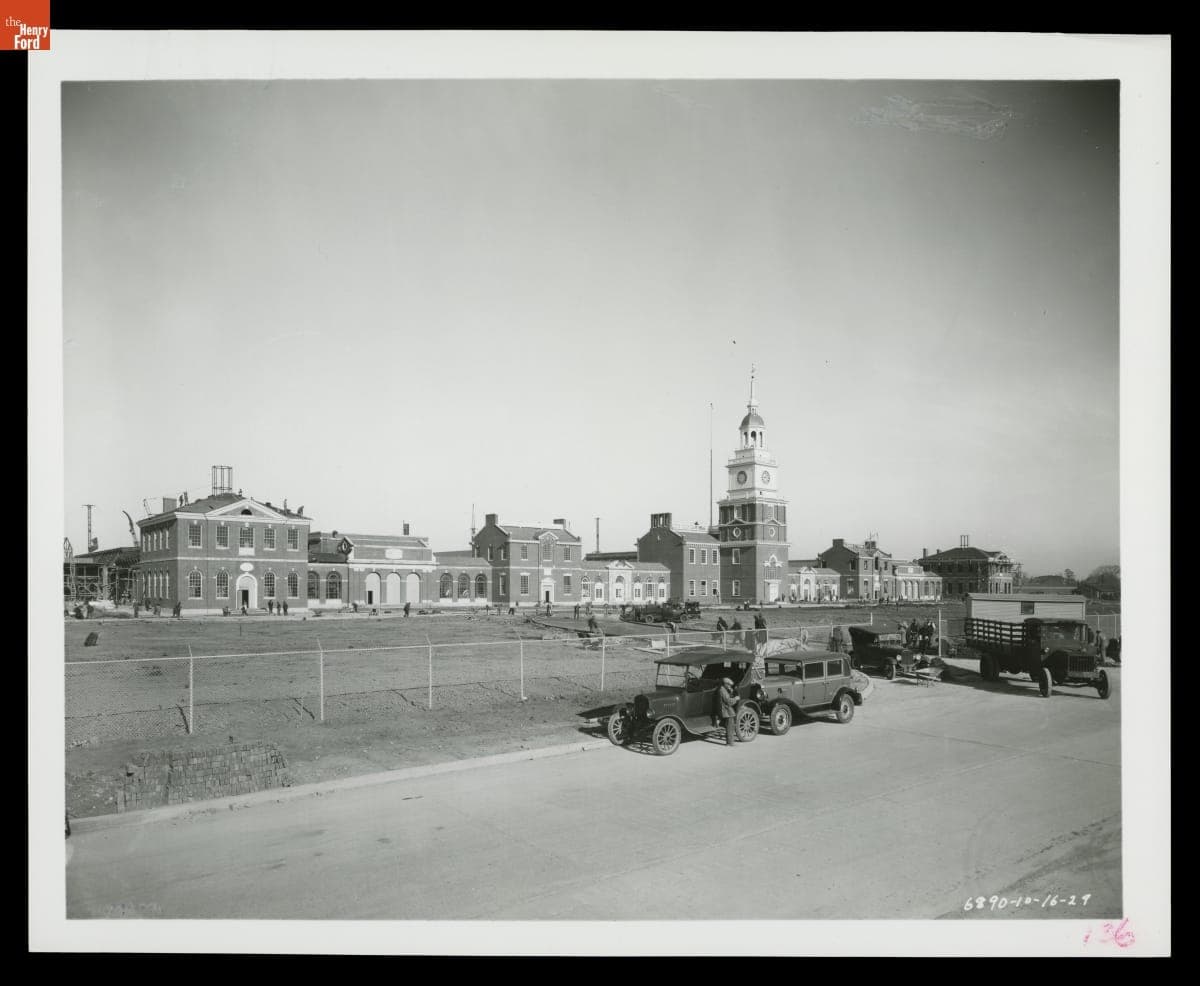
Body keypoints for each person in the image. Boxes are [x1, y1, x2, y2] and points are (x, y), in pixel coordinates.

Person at [717, 677, 740, 747]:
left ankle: (729, 742)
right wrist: (736, 699)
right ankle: (730, 743)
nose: (730, 686)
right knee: (730, 727)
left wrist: (731, 691)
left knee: (729, 727)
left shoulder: (723, 689)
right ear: (725, 684)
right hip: (727, 711)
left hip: (726, 710)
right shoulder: (723, 690)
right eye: (729, 685)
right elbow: (728, 702)